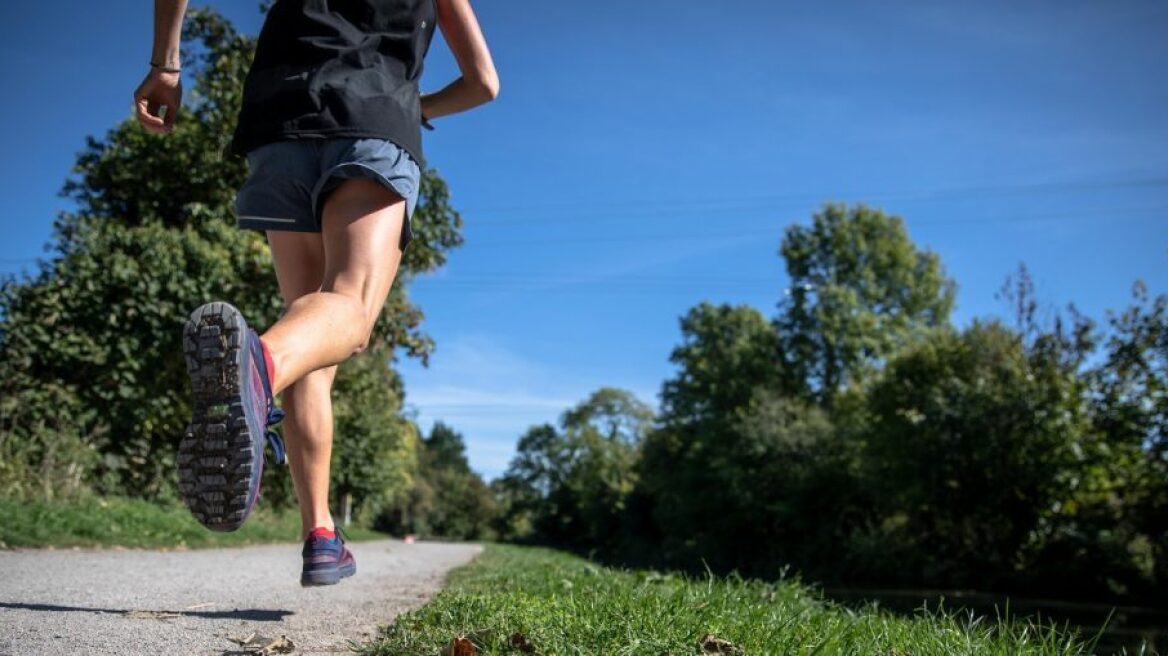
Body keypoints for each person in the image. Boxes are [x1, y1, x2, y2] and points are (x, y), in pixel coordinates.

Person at [133, 0, 498, 586]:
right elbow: (484, 83)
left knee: (311, 336)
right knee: (347, 311)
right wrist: (413, 107)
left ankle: (321, 533)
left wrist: (167, 67)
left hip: (280, 123)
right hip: (374, 121)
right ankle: (257, 370)